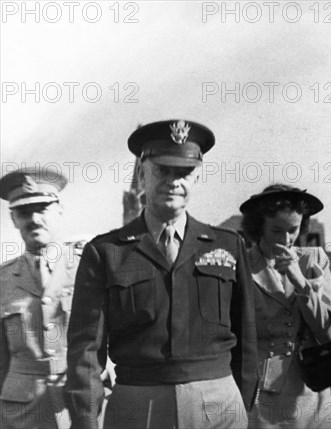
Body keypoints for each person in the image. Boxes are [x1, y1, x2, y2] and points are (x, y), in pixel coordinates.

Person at [64, 120, 258, 429]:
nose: (173, 182)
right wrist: (85, 420)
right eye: (162, 171)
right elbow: (86, 349)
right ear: (142, 173)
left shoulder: (228, 245)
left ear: (196, 177)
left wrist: (240, 406)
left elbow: (247, 340)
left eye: (183, 173)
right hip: (139, 405)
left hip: (219, 405)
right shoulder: (106, 252)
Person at [239, 184, 331, 428]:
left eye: (293, 230)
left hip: (312, 389)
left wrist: (302, 283)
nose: (286, 239)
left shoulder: (314, 259)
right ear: (258, 227)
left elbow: (329, 333)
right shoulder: (240, 263)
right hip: (260, 395)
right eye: (276, 230)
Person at [0, 168, 78, 429]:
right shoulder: (2, 279)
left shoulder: (90, 267)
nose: (33, 219)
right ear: (13, 219)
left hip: (83, 401)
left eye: (42, 208)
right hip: (23, 411)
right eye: (23, 212)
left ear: (60, 210)